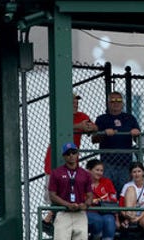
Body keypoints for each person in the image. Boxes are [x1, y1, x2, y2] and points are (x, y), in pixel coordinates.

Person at [43, 94, 98, 227]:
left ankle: (58, 219)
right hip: (54, 160)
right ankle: (50, 218)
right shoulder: (60, 115)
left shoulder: (81, 115)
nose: (75, 103)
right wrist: (79, 126)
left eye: (76, 101)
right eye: (72, 101)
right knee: (54, 192)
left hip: (72, 162)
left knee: (70, 191)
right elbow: (59, 128)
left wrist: (90, 128)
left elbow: (94, 127)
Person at [93, 91, 141, 194]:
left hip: (125, 162)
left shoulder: (129, 118)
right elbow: (94, 139)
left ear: (122, 103)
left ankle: (123, 210)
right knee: (108, 192)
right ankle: (109, 210)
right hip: (107, 162)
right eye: (112, 100)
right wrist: (104, 133)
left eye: (119, 100)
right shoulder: (102, 119)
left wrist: (136, 134)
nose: (116, 103)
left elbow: (138, 139)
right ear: (108, 103)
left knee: (124, 192)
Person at [48, 142, 93, 240]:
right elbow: (52, 195)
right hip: (63, 212)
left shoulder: (85, 174)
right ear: (64, 156)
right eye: (68, 153)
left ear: (78, 154)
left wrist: (85, 205)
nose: (71, 155)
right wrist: (67, 204)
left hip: (80, 213)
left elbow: (90, 195)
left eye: (73, 152)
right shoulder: (56, 173)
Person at [120, 161, 144, 240]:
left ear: (143, 172)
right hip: (130, 214)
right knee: (131, 189)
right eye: (134, 172)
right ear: (131, 174)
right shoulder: (127, 185)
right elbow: (121, 205)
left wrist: (138, 218)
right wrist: (127, 216)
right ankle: (129, 218)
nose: (137, 174)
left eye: (139, 171)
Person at [85, 159, 118, 240]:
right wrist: (92, 201)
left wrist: (117, 219)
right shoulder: (83, 182)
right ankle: (95, 237)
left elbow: (114, 200)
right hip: (89, 211)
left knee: (109, 220)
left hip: (105, 211)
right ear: (89, 170)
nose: (100, 173)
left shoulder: (107, 182)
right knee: (97, 220)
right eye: (97, 170)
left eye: (101, 170)